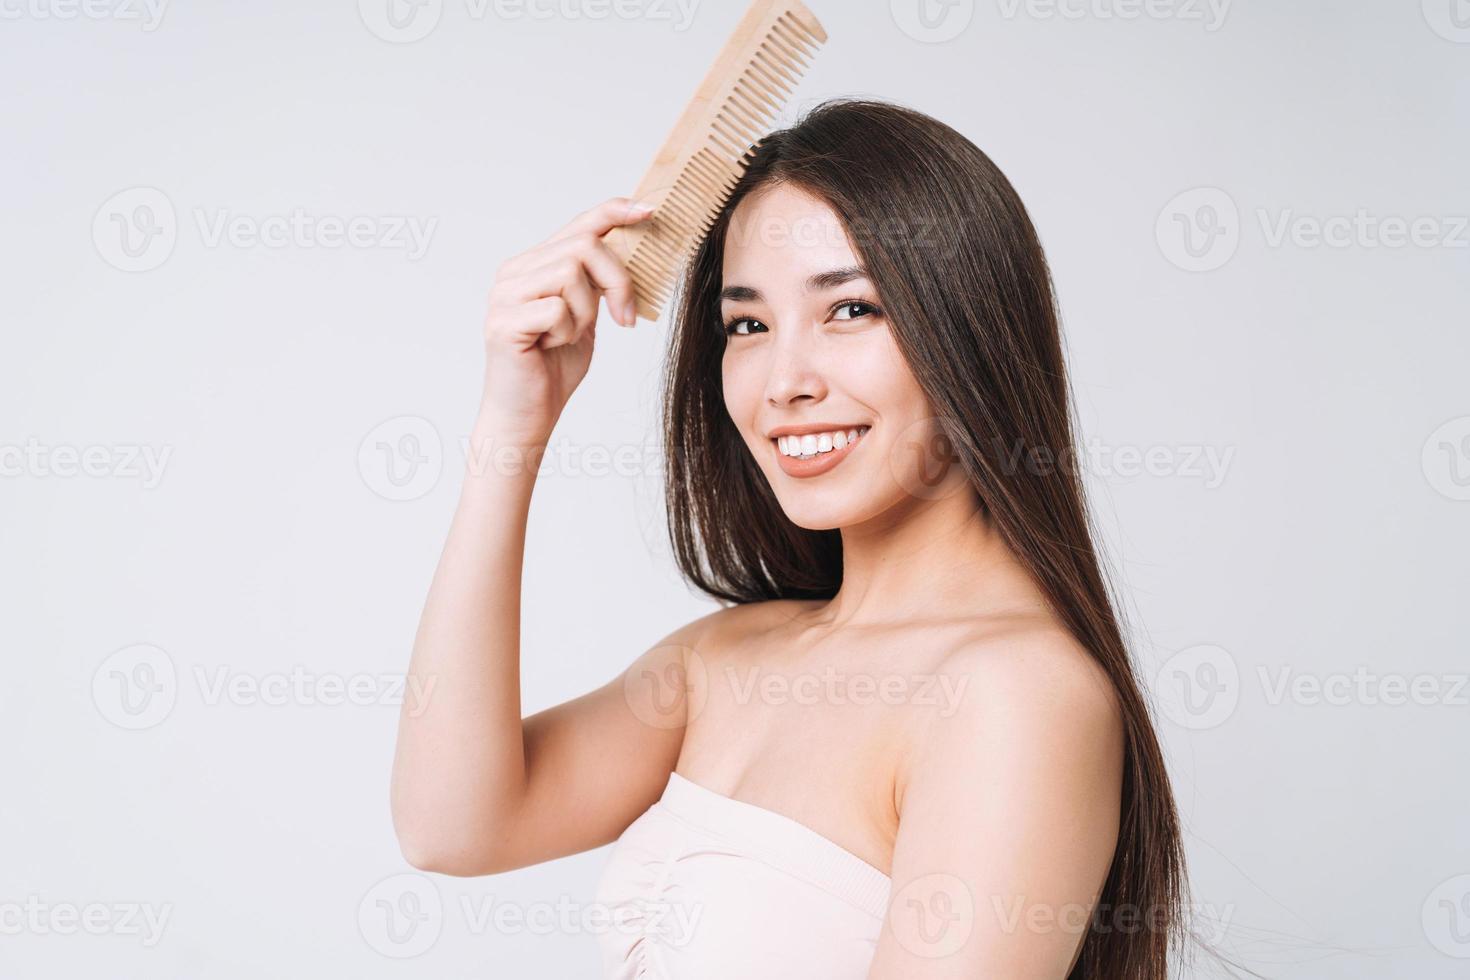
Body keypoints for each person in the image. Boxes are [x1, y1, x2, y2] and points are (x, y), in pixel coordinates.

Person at [390, 97, 1187, 979]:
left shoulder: (1014, 695)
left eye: (850, 310)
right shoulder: (724, 656)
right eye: (749, 325)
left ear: (969, 328)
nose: (784, 382)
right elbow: (451, 826)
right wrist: (514, 423)